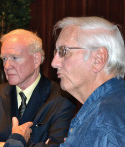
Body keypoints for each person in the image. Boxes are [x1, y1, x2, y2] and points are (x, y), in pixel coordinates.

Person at [0, 29, 75, 146]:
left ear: (36, 59)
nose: (7, 66)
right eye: (4, 59)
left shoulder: (62, 99)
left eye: (14, 58)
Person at [51, 16, 125, 146]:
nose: (54, 63)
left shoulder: (103, 121)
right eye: (56, 52)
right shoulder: (107, 108)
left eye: (64, 51)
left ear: (98, 59)